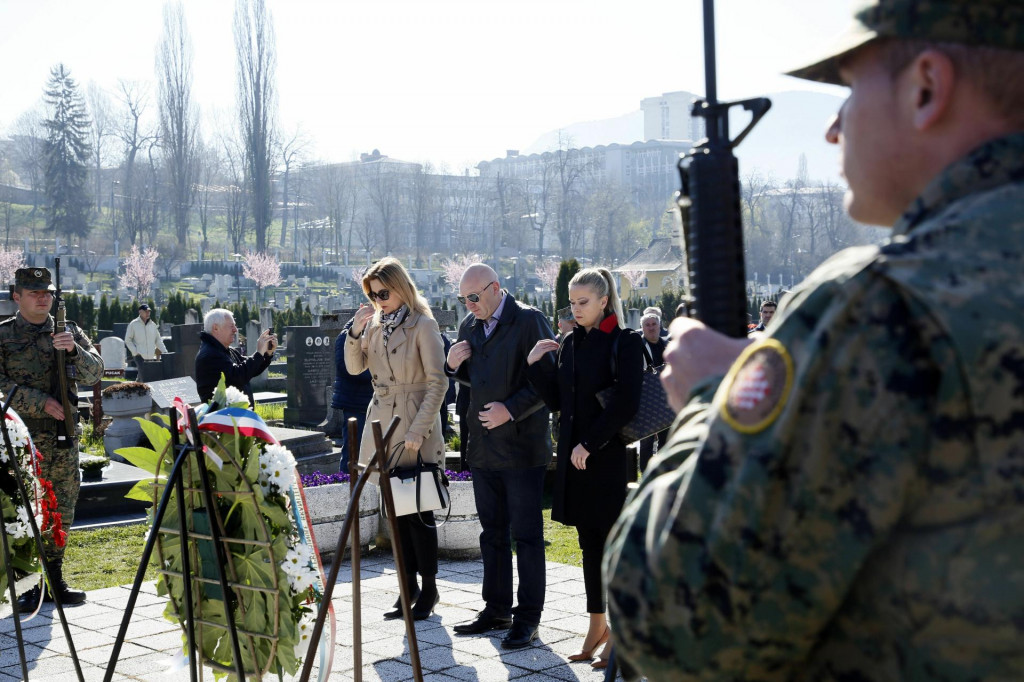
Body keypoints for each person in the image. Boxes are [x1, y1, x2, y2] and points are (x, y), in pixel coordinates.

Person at [604, 2, 1024, 680]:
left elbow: (669, 621)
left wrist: (716, 400)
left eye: (851, 89)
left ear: (926, 88)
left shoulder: (883, 309)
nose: (833, 128)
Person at [527, 268, 642, 669]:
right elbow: (560, 402)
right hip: (577, 460)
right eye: (572, 304)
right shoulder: (570, 343)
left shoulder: (624, 342)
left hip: (606, 457)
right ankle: (597, 626)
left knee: (612, 547)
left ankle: (623, 634)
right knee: (589, 546)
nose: (576, 310)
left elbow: (626, 403)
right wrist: (537, 364)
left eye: (583, 303)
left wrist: (590, 444)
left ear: (604, 301)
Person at [446, 263, 554, 649]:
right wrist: (451, 366)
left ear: (496, 288)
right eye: (464, 299)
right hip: (483, 448)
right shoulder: (469, 327)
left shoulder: (529, 321)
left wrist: (511, 409)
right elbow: (472, 379)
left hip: (523, 447)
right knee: (491, 534)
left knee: (526, 536)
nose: (469, 305)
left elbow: (547, 382)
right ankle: (496, 610)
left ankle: (528, 618)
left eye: (474, 297)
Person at [346, 257, 448, 621]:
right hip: (382, 424)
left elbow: (439, 382)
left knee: (418, 509)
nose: (379, 300)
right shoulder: (374, 325)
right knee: (394, 512)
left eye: (384, 292)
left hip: (413, 422)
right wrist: (355, 334)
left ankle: (430, 588)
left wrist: (419, 429)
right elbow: (355, 368)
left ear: (401, 286)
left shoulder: (423, 324)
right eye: (373, 295)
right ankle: (408, 588)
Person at [1, 268, 104, 609]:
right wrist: (39, 401)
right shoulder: (3, 337)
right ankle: (29, 584)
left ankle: (54, 577)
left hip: (63, 439)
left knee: (62, 506)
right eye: (33, 292)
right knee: (24, 511)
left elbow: (95, 373)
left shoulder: (67, 330)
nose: (42, 297)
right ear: (17, 296)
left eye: (46, 292)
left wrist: (74, 350)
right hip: (21, 441)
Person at [319, 317, 373, 472]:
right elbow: (349, 370)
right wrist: (380, 373)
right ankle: (347, 484)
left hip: (371, 403)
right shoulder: (346, 336)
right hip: (355, 405)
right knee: (352, 452)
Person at [194, 309, 277, 408]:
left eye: (235, 325)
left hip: (234, 417)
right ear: (216, 328)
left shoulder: (225, 350)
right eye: (231, 326)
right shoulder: (210, 355)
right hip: (222, 419)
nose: (235, 330)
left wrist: (267, 353)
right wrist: (259, 353)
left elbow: (250, 370)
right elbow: (238, 376)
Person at [636, 312, 668, 473]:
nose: (651, 328)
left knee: (666, 440)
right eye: (647, 325)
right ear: (642, 328)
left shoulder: (667, 345)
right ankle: (646, 475)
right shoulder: (637, 347)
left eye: (654, 324)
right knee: (646, 443)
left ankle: (662, 474)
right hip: (647, 401)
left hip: (666, 401)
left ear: (659, 326)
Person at [125, 303, 168, 382]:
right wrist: (135, 352)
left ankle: (134, 389)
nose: (148, 313)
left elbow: (158, 340)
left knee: (142, 377)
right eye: (146, 311)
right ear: (140, 312)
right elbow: (128, 340)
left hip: (150, 356)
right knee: (145, 376)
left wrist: (165, 352)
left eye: (149, 311)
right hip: (139, 356)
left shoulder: (153, 325)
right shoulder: (133, 324)